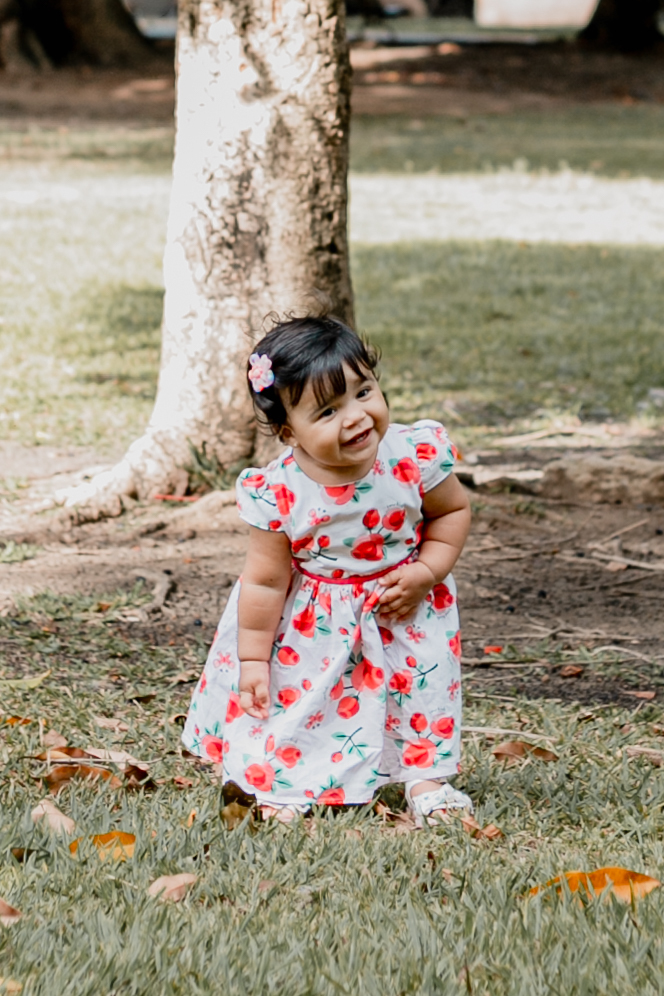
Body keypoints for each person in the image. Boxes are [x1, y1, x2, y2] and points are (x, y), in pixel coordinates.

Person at [182, 315, 472, 826]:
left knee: (419, 689)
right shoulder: (280, 492)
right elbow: (266, 580)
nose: (356, 417)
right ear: (289, 431)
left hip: (402, 606)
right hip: (312, 620)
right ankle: (289, 783)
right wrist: (252, 660)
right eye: (329, 410)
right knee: (305, 703)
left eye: (364, 392)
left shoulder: (412, 455)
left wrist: (427, 571)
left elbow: (451, 513)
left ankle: (425, 779)